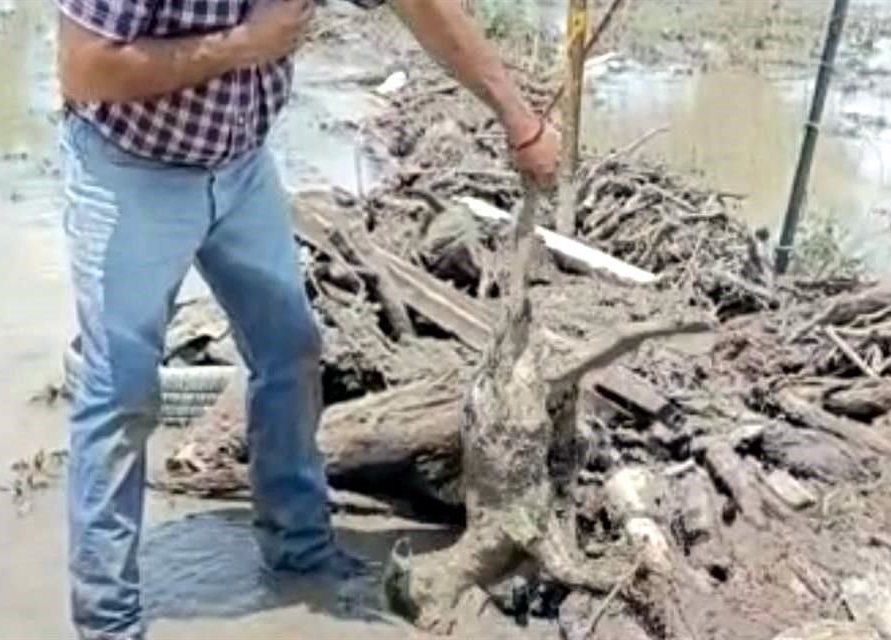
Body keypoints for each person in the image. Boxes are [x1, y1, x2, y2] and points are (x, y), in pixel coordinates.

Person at [55, 0, 560, 638]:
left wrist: (518, 118)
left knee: (291, 350)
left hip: (240, 166)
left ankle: (300, 551)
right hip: (128, 166)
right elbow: (83, 69)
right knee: (121, 391)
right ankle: (107, 619)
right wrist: (243, 45)